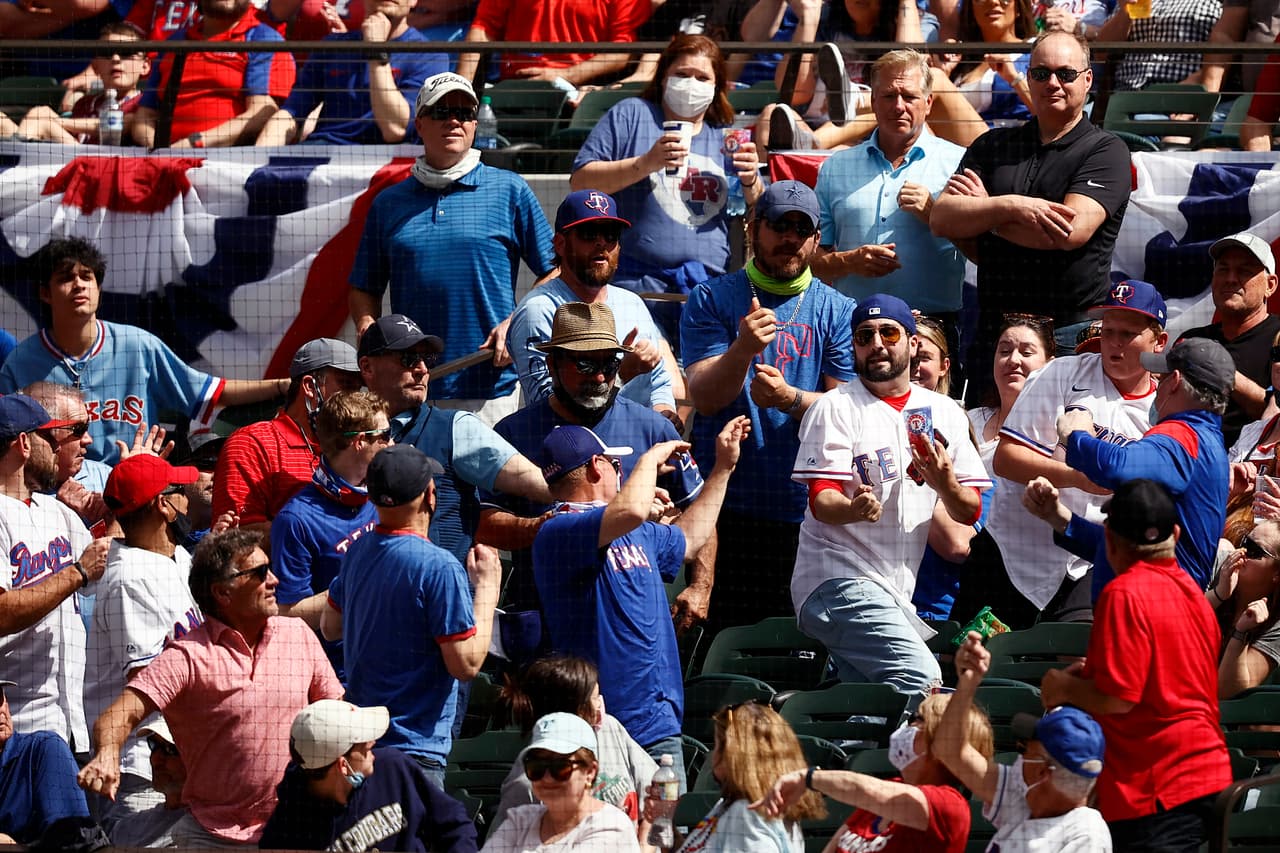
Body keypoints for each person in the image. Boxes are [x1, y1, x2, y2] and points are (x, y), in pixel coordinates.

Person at [77, 529, 343, 847]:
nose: (274, 581)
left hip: (295, 826)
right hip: (211, 836)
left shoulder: (297, 634)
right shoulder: (187, 656)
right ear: (223, 593)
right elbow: (118, 714)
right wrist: (107, 754)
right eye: (259, 573)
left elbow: (336, 716)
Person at [791, 294, 990, 697]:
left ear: (912, 343)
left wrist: (945, 484)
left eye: (889, 332)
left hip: (894, 589)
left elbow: (969, 511)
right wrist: (852, 508)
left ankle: (851, 758)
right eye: (865, 336)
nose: (877, 343)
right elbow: (821, 500)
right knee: (924, 682)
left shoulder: (946, 411)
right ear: (854, 347)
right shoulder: (835, 407)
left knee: (867, 708)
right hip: (837, 577)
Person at [532, 418, 749, 786]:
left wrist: (723, 468)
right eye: (616, 464)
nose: (622, 471)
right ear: (596, 467)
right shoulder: (556, 530)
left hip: (659, 721)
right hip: (600, 725)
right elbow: (630, 510)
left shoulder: (636, 531)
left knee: (661, 838)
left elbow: (690, 539)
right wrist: (651, 458)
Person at [681, 179, 855, 636]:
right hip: (727, 507)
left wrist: (789, 399)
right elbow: (703, 395)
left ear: (817, 239)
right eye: (779, 225)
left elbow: (850, 410)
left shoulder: (837, 310)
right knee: (724, 642)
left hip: (807, 512)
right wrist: (741, 349)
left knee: (796, 649)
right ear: (753, 230)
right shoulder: (710, 298)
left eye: (802, 228)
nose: (790, 238)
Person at [930, 31, 1132, 403]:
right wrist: (1012, 207)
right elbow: (943, 218)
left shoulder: (1107, 151)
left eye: (1065, 73)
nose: (1052, 83)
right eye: (1040, 73)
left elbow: (1067, 230)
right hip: (997, 333)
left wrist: (983, 211)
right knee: (987, 451)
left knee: (1064, 450)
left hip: (1068, 336)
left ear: (1088, 80)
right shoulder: (992, 145)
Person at [479, 303, 705, 628]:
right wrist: (553, 527)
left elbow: (700, 508)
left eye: (610, 364)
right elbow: (484, 523)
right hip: (545, 620)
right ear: (552, 364)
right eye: (585, 363)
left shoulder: (655, 430)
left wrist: (700, 586)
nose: (600, 377)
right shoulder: (513, 433)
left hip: (634, 618)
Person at [350, 72, 557, 421]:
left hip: (491, 387)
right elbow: (363, 287)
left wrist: (518, 321)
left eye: (464, 113)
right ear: (420, 124)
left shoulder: (510, 189)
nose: (453, 120)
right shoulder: (388, 203)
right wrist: (367, 329)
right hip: (412, 389)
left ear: (475, 125)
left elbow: (556, 270)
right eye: (441, 111)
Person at [1039, 479, 1231, 853]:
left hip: (1156, 791)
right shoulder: (1195, 596)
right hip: (1210, 779)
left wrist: (1061, 687)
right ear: (1175, 534)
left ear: (1109, 539)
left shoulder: (1123, 593)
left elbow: (1117, 699)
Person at [0, 238, 289, 465]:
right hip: (56, 497)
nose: (79, 285)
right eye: (65, 278)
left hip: (133, 493)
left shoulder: (138, 346)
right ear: (45, 293)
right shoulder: (21, 364)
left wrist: (281, 386)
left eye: (87, 276)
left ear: (98, 288)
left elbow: (211, 393)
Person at [321, 444, 500, 786]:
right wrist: (488, 589)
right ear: (430, 495)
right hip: (415, 753)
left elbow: (330, 627)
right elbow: (466, 665)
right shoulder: (439, 567)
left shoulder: (358, 550)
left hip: (363, 748)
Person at [570, 34, 764, 341]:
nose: (691, 84)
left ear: (716, 88)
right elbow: (580, 182)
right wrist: (646, 163)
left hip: (706, 291)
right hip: (635, 289)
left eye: (702, 77)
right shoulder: (631, 114)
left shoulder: (726, 138)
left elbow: (755, 210)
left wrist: (752, 179)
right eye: (682, 74)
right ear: (663, 78)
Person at [993, 280, 1167, 620]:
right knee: (976, 661)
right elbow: (1006, 458)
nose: (1114, 343)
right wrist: (1076, 478)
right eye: (1108, 331)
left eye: (1128, 334)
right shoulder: (1062, 372)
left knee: (1066, 656)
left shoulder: (1163, 409)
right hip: (1012, 553)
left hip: (1088, 559)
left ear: (1158, 342)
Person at [357, 314, 551, 564]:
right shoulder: (346, 435)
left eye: (426, 359)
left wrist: (582, 503)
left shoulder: (456, 428)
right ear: (366, 367)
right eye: (408, 358)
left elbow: (540, 484)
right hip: (373, 594)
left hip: (444, 595)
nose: (422, 369)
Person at [1053, 336, 1233, 594]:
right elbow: (1137, 549)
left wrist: (1077, 436)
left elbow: (1118, 467)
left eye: (1163, 376)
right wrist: (1063, 522)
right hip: (1162, 605)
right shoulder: (1208, 442)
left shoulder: (1183, 436)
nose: (1157, 383)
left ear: (1175, 382)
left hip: (1154, 612)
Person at [85, 454, 204, 829]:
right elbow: (149, 676)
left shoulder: (177, 557)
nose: (188, 498)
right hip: (140, 767)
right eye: (180, 491)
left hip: (181, 755)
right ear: (163, 506)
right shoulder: (128, 579)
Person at [811, 49, 965, 321]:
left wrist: (933, 213)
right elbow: (811, 263)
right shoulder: (836, 167)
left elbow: (980, 251)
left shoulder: (958, 162)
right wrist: (849, 261)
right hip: (854, 324)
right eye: (889, 96)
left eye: (909, 97)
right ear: (873, 101)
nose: (898, 106)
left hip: (933, 324)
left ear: (928, 103)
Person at [0, 393, 111, 752]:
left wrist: (126, 497)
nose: (56, 448)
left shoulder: (53, 511)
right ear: (24, 444)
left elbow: (104, 564)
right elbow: (1, 612)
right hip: (17, 727)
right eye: (49, 439)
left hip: (72, 722)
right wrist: (76, 572)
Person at [509, 191, 680, 417]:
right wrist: (621, 374)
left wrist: (663, 413)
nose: (601, 243)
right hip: (570, 447)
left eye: (610, 234)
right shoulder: (539, 310)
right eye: (588, 234)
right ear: (560, 244)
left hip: (637, 443)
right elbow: (547, 406)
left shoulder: (632, 303)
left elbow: (658, 384)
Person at [753, 693, 993, 853]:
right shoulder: (888, 789)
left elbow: (870, 790)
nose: (906, 726)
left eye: (916, 719)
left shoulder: (949, 806)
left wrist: (808, 778)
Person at [938, 634, 1113, 851]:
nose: (1019, 759)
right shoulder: (1023, 797)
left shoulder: (1085, 837)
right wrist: (967, 684)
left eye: (1025, 752)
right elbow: (950, 751)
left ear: (1042, 771)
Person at [949, 315, 1055, 628]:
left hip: (1017, 569)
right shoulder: (968, 418)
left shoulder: (1055, 433)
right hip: (957, 553)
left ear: (1050, 363)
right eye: (1004, 351)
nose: (1013, 360)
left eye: (1026, 352)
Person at [260, 699, 478, 852]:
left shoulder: (394, 768)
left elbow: (455, 821)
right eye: (362, 742)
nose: (372, 742)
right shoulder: (287, 831)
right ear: (343, 766)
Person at [212, 337, 363, 541]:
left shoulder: (359, 445)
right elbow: (236, 537)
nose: (354, 397)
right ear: (310, 386)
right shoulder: (252, 443)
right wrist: (333, 532)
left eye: (357, 388)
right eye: (345, 385)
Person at [492, 655, 657, 833]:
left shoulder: (609, 728)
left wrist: (643, 847)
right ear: (573, 710)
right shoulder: (531, 777)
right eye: (594, 699)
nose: (601, 704)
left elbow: (657, 793)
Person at [270, 390, 385, 639]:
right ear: (360, 441)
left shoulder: (387, 492)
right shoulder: (296, 519)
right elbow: (288, 613)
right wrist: (356, 584)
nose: (392, 444)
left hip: (390, 657)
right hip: (338, 670)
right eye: (384, 436)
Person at [255, 0, 447, 145]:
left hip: (384, 167)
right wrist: (252, 164)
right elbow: (291, 114)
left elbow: (396, 129)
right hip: (321, 155)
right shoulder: (333, 46)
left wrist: (375, 50)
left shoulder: (429, 55)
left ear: (414, 0)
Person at [651, 701, 823, 852]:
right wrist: (665, 823)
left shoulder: (749, 816)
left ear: (733, 758)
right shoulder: (734, 804)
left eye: (717, 747)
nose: (713, 757)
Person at [756, 0, 926, 151]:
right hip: (811, 130)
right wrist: (809, 19)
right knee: (771, 114)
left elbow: (911, 77)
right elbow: (795, 95)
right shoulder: (826, 18)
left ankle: (815, 142)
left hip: (872, 142)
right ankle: (767, 185)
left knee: (884, 104)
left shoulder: (914, 20)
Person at [131, 0, 296, 148]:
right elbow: (145, 115)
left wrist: (195, 143)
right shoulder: (175, 41)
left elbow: (262, 112)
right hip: (163, 159)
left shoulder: (263, 39)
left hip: (225, 163)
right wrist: (159, 149)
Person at [480, 713, 641, 852]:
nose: (547, 777)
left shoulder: (612, 826)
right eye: (537, 766)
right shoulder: (520, 819)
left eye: (561, 767)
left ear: (590, 771)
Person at [1180, 232, 1280, 446]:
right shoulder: (1192, 339)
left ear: (1270, 285)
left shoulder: (1278, 338)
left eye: (1245, 271)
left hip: (1255, 471)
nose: (1231, 278)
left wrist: (1222, 373)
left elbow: (1276, 414)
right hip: (1187, 463)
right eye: (1223, 269)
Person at [0, 679, 109, 851]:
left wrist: (15, 848)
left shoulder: (44, 749)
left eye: (0, 698)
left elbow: (77, 841)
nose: (0, 711)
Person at [454, 0, 649, 87]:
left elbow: (624, 51)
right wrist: (460, 89)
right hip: (517, 87)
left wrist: (564, 76)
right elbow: (482, 29)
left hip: (584, 93)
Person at [16, 22, 148, 144]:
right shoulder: (84, 103)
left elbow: (123, 124)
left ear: (145, 66)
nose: (115, 59)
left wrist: (55, 122)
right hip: (70, 161)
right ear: (95, 66)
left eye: (126, 52)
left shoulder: (145, 103)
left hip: (106, 164)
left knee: (41, 117)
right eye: (106, 53)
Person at [1208, 520, 1280, 698]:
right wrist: (1218, 595)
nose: (1242, 552)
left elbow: (1230, 693)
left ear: (1277, 574)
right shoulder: (1219, 565)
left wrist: (1241, 633)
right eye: (1245, 543)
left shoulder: (1277, 622)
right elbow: (1175, 619)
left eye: (1255, 551)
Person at [110, 717, 187, 848]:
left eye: (170, 749)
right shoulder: (126, 829)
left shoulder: (212, 829)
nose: (156, 759)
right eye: (153, 745)